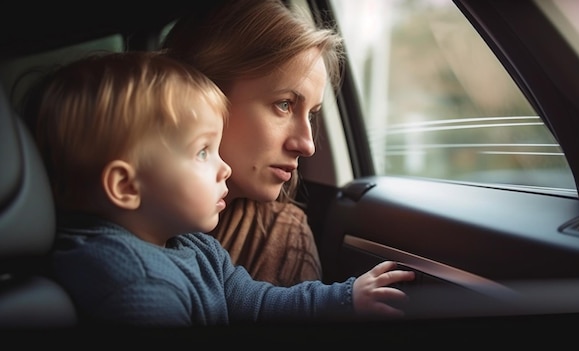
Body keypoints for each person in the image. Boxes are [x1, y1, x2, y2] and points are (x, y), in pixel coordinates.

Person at [29, 51, 415, 326]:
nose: (224, 167)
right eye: (202, 152)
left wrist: (345, 299)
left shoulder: (191, 244)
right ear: (126, 186)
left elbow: (257, 303)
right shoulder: (136, 285)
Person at [161, 0, 342, 286]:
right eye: (284, 104)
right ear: (202, 94)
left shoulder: (281, 236)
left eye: (312, 114)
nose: (307, 145)